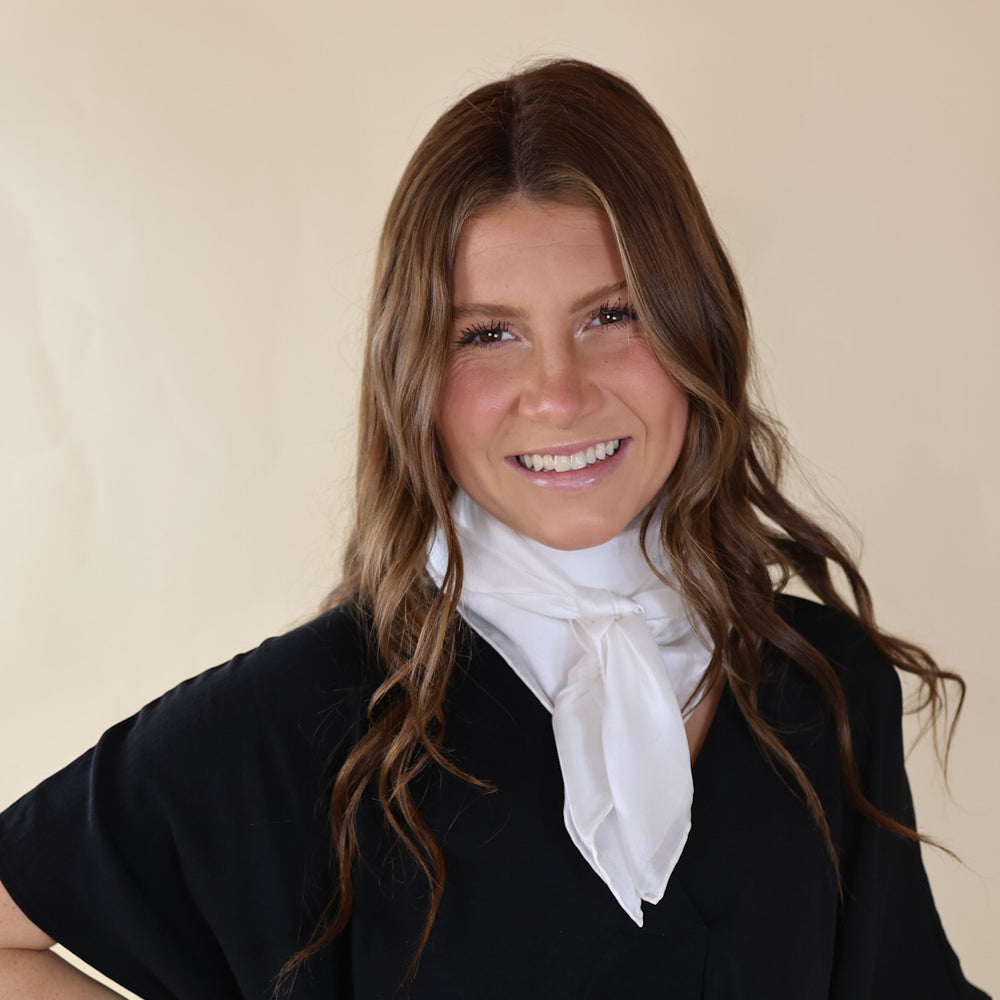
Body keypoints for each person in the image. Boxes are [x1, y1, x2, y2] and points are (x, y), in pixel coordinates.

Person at [0, 59, 988, 1000]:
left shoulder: (817, 685)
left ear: (698, 331)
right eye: (487, 334)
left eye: (614, 315)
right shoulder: (306, 717)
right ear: (414, 377)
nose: (557, 394)